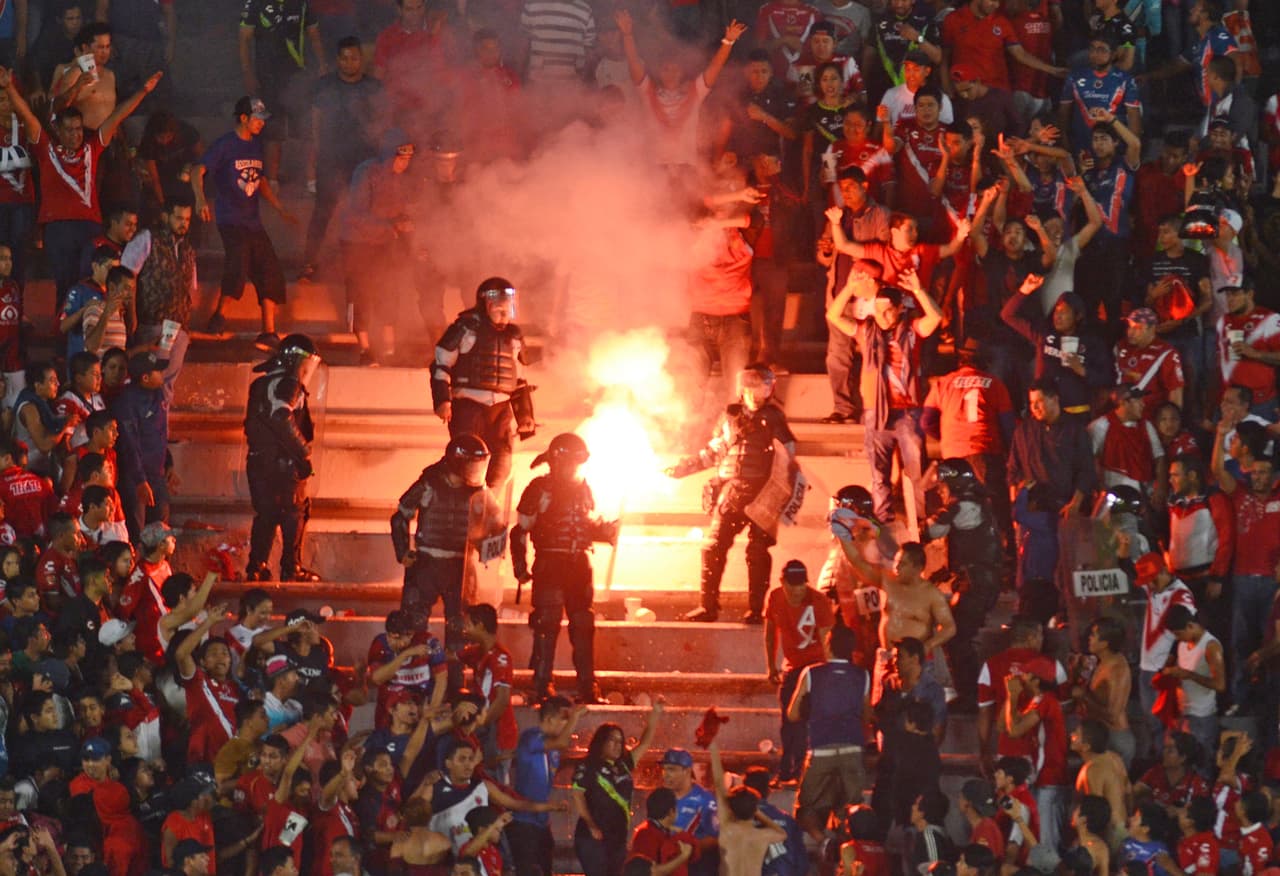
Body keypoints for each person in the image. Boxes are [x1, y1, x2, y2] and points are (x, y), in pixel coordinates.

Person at [0, 65, 158, 308]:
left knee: (88, 283)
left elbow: (117, 116)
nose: (75, 135)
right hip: (57, 227)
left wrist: (143, 92)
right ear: (58, 130)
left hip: (89, 226)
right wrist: (9, 87)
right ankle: (62, 329)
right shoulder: (46, 148)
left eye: (78, 129)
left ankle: (87, 329)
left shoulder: (92, 149)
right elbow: (27, 115)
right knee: (64, 285)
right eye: (69, 130)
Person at [667, 364, 796, 623]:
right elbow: (713, 452)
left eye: (763, 386)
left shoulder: (773, 417)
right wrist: (684, 468)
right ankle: (708, 607)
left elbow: (787, 455)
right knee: (713, 547)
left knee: (757, 552)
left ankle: (756, 611)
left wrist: (782, 491)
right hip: (732, 491)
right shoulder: (729, 418)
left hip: (764, 494)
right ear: (744, 388)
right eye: (755, 385)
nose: (759, 391)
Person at [826, 266, 942, 524]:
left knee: (916, 472)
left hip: (908, 412)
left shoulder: (911, 330)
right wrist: (849, 288)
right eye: (878, 310)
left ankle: (920, 522)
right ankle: (884, 522)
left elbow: (936, 317)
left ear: (900, 309)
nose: (882, 316)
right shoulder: (866, 330)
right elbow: (833, 315)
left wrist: (918, 291)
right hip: (875, 412)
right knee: (879, 475)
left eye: (888, 310)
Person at [511, 433, 618, 702]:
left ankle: (587, 687)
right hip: (550, 564)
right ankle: (542, 685)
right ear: (556, 462)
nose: (573, 469)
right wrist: (520, 566)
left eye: (576, 463)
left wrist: (603, 531)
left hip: (579, 564)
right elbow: (520, 530)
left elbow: (583, 525)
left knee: (583, 626)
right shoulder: (539, 488)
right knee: (547, 625)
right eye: (570, 463)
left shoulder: (584, 488)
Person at [390, 434, 502, 673]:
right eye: (471, 464)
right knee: (414, 623)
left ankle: (455, 679)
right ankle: (414, 675)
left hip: (461, 564)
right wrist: (403, 551)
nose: (475, 470)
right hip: (426, 562)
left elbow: (495, 523)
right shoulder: (429, 483)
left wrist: (489, 543)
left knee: (460, 627)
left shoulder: (480, 492)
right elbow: (400, 516)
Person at [193, 97, 298, 348]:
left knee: (269, 268)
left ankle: (269, 330)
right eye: (257, 119)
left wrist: (280, 209)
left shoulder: (256, 146)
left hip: (253, 221)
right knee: (238, 261)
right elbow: (198, 170)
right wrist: (200, 199)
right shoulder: (225, 145)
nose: (261, 123)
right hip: (230, 219)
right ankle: (219, 317)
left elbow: (260, 181)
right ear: (243, 118)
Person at [432, 277, 535, 489]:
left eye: (508, 307)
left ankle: (488, 506)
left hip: (501, 409)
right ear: (486, 305)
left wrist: (525, 416)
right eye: (499, 308)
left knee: (500, 466)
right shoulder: (464, 329)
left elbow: (519, 379)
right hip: (468, 406)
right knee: (467, 464)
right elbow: (441, 366)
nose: (505, 313)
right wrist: (443, 400)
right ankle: (461, 504)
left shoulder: (514, 336)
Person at [298, 35, 383, 283]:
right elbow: (315, 124)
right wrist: (313, 160)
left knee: (364, 213)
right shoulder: (324, 86)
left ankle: (366, 265)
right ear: (338, 60)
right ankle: (309, 263)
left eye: (354, 58)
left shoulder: (374, 88)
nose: (349, 63)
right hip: (331, 160)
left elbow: (383, 122)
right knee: (323, 212)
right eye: (344, 58)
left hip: (363, 161)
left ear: (361, 59)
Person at [922, 459, 1003, 708]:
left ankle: (970, 697)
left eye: (942, 486)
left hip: (976, 584)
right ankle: (970, 694)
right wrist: (944, 572)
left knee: (956, 636)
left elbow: (931, 531)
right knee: (958, 636)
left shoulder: (964, 506)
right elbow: (971, 547)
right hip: (976, 581)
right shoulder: (975, 503)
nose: (940, 492)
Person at [242, 335, 321, 583]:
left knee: (265, 514)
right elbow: (280, 416)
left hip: (258, 462)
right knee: (294, 513)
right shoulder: (290, 384)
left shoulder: (261, 384)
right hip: (285, 466)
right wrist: (303, 453)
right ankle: (291, 567)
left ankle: (257, 566)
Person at [337, 130, 417, 365]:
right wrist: (389, 225)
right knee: (361, 293)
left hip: (383, 241)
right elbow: (355, 215)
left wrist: (405, 223)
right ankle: (365, 350)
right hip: (357, 243)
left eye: (408, 159)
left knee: (388, 291)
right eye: (400, 159)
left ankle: (390, 350)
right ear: (389, 156)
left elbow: (400, 209)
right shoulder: (366, 172)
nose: (404, 164)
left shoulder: (400, 179)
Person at [785, 623, 868, 841]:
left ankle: (822, 842)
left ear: (828, 645)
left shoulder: (812, 673)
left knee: (805, 807)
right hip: (852, 749)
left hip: (821, 748)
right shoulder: (862, 675)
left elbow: (792, 714)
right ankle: (848, 852)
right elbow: (867, 715)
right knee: (851, 812)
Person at [765, 559, 833, 785]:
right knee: (787, 720)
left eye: (801, 585)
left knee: (803, 720)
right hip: (792, 666)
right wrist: (771, 665)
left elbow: (827, 641)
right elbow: (771, 632)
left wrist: (828, 673)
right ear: (782, 582)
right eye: (792, 585)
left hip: (815, 665)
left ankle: (800, 771)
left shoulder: (819, 601)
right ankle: (787, 770)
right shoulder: (775, 597)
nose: (797, 590)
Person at [574, 704, 661, 876]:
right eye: (612, 740)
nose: (617, 745)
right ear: (601, 741)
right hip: (593, 838)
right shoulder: (588, 765)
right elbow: (578, 796)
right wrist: (591, 825)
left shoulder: (624, 764)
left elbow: (644, 743)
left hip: (618, 837)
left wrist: (655, 714)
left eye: (620, 741)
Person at [129, 197, 196, 405]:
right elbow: (128, 276)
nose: (183, 223)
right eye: (179, 218)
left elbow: (191, 288)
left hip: (179, 326)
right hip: (155, 323)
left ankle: (161, 424)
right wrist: (132, 318)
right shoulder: (148, 239)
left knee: (167, 384)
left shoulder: (187, 248)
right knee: (153, 378)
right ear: (165, 216)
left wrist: (187, 327)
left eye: (187, 219)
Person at [510, 696, 586, 876]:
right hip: (524, 820)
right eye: (564, 719)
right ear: (550, 719)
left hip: (543, 821)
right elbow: (561, 742)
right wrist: (575, 717)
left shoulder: (552, 748)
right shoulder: (531, 737)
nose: (567, 725)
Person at [112, 351, 169, 541]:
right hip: (136, 477)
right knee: (138, 530)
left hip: (157, 474)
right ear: (145, 378)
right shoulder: (127, 402)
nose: (162, 374)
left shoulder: (158, 394)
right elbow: (129, 443)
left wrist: (168, 463)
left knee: (160, 529)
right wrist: (139, 480)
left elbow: (160, 432)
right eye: (157, 371)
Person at [707, 740, 786, 876]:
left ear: (730, 810)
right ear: (755, 809)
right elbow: (782, 834)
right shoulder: (762, 836)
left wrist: (714, 750)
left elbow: (719, 785)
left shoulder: (726, 830)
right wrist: (758, 813)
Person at [1162, 605, 1226, 757]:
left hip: (1201, 716)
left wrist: (1190, 675)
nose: (1177, 638)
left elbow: (1220, 685)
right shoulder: (1182, 644)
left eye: (1178, 633)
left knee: (1200, 760)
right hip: (1181, 713)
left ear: (1190, 626)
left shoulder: (1211, 646)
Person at [659, 748, 718, 876]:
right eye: (664, 769)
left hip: (695, 869)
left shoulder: (705, 800)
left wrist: (690, 848)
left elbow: (715, 838)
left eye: (671, 769)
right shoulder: (661, 797)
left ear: (687, 771)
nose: (666, 774)